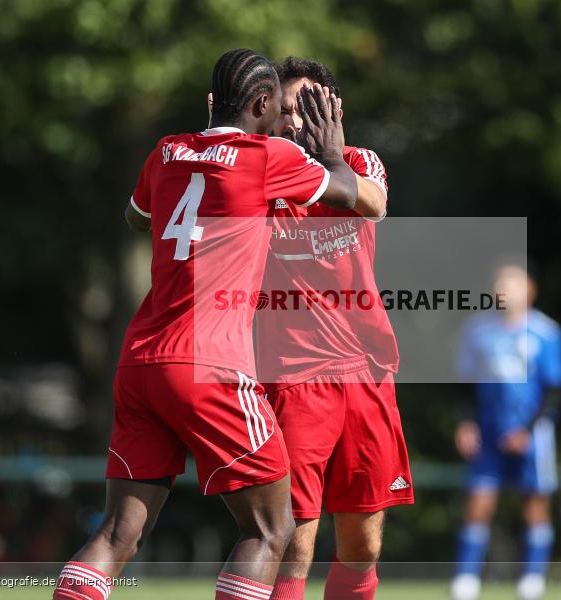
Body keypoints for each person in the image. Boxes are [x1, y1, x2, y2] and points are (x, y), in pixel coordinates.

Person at [52, 48, 359, 600]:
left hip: (141, 361)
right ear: (263, 103)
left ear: (212, 102)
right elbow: (349, 193)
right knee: (270, 528)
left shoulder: (167, 151)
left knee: (118, 531)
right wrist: (333, 153)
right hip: (211, 364)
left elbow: (135, 215)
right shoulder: (266, 156)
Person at [251, 57, 413, 600]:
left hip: (367, 373)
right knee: (292, 544)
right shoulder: (261, 170)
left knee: (363, 545)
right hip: (295, 376)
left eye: (311, 108)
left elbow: (374, 203)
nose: (297, 121)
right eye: (288, 109)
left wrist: (332, 157)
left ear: (336, 111)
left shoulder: (362, 160)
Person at [450, 257, 561, 600]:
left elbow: (555, 389)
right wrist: (466, 422)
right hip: (488, 433)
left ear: (531, 289)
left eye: (513, 282)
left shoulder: (546, 332)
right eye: (500, 282)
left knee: (534, 504)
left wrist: (529, 430)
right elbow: (463, 385)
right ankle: (465, 580)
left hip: (532, 436)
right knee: (479, 502)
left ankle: (532, 579)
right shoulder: (477, 330)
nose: (504, 289)